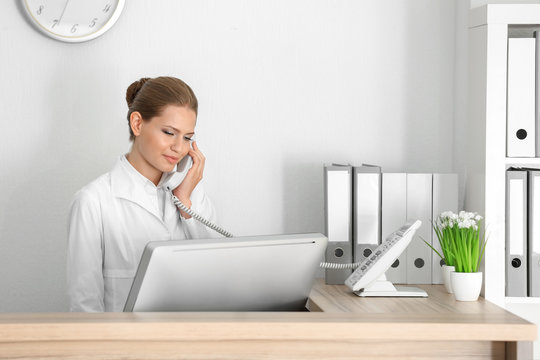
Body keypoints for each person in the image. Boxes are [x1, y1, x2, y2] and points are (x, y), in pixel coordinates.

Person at [67, 76, 220, 312]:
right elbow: (85, 307)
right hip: (125, 346)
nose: (179, 148)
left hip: (188, 341)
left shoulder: (190, 197)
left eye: (188, 137)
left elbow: (218, 272)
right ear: (137, 124)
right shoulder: (93, 201)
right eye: (169, 132)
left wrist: (186, 204)